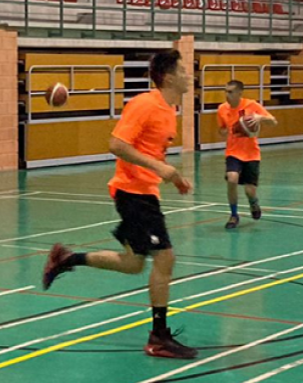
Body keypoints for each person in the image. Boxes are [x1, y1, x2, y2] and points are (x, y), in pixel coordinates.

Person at [42, 50, 199, 359]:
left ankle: (68, 258)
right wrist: (160, 169)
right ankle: (158, 337)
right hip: (132, 193)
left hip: (144, 192)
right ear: (168, 77)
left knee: (134, 263)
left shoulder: (169, 109)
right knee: (165, 258)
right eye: (183, 70)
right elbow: (116, 144)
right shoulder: (145, 104)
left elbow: (151, 153)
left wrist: (173, 176)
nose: (189, 75)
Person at [215, 80, 277, 229]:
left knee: (250, 190)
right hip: (233, 152)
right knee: (232, 178)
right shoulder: (222, 109)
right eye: (226, 91)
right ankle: (234, 215)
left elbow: (273, 121)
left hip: (251, 154)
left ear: (239, 93)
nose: (227, 95)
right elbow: (221, 129)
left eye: (230, 92)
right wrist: (224, 131)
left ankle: (253, 202)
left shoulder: (252, 106)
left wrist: (259, 118)